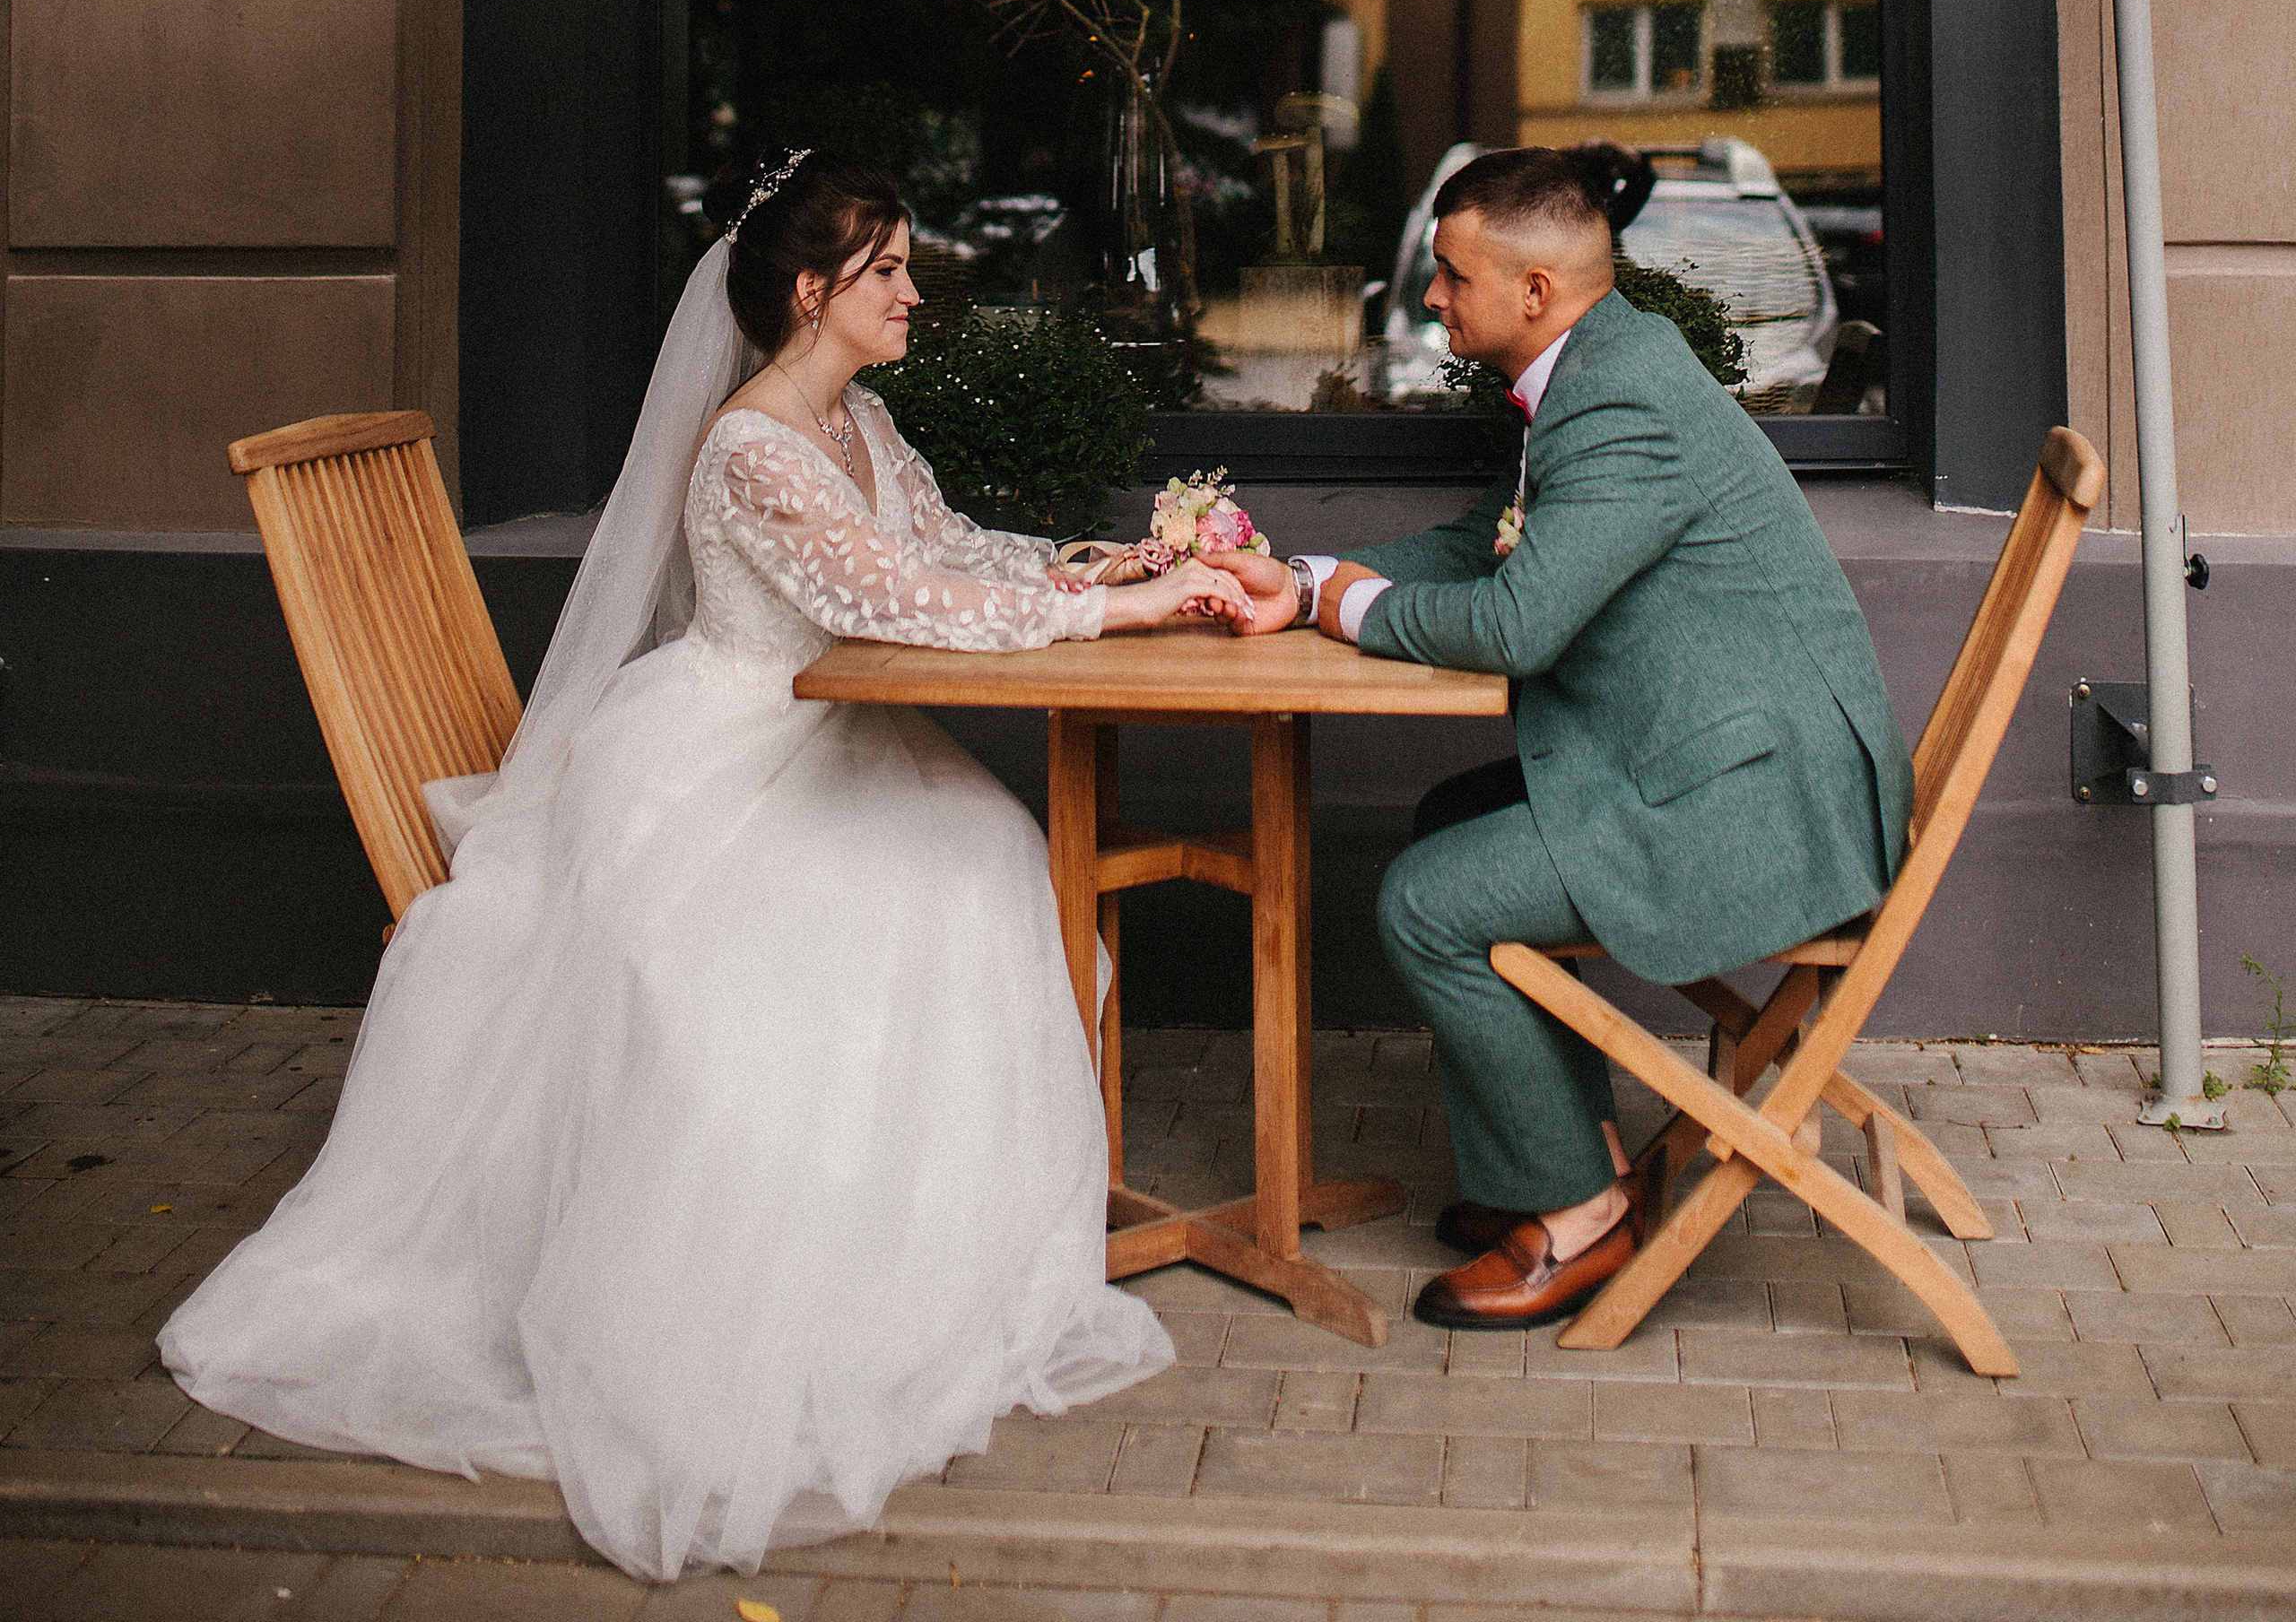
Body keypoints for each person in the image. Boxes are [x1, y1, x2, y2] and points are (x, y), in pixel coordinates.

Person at [160, 147, 1253, 1580]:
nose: (914, 293)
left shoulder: (857, 417)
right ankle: (827, 1296)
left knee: (995, 866)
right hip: (726, 754)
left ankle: (942, 1256)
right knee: (896, 916)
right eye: (887, 272)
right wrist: (1134, 616)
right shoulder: (752, 450)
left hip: (839, 730)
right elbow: (894, 600)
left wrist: (1097, 564)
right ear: (811, 293)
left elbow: (950, 549)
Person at [1223, 143, 1912, 1331]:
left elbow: (1520, 623)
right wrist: (1301, 577)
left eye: (1452, 274)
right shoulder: (1602, 364)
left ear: (1534, 291)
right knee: (1453, 820)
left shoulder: (1618, 397)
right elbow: (1484, 545)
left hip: (1768, 808)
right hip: (1731, 758)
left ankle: (1582, 1215)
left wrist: (1343, 607)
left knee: (1428, 901)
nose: (1432, 295)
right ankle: (1563, 1156)